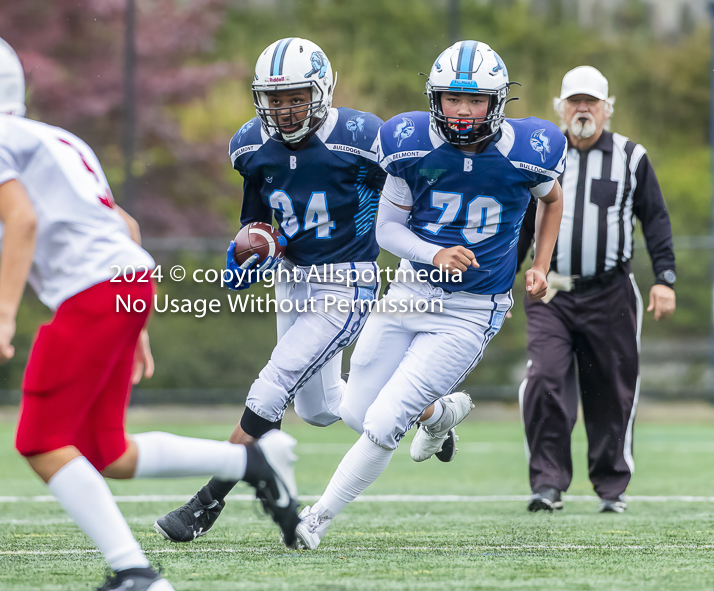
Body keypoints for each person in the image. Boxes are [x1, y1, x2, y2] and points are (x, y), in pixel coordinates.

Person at [0, 29, 299, 591]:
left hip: (97, 291)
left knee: (41, 441)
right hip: (124, 282)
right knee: (108, 452)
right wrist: (132, 318)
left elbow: (22, 220)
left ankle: (134, 573)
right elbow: (125, 226)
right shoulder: (54, 138)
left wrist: (2, 318)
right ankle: (251, 463)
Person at [292, 40, 566, 550]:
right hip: (409, 293)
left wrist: (541, 263)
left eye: (475, 101)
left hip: (469, 310)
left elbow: (552, 200)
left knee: (382, 420)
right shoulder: (410, 141)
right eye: (452, 99)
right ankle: (441, 414)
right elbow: (387, 231)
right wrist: (431, 253)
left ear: (497, 102)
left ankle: (316, 518)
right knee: (354, 410)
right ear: (434, 99)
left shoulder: (528, 151)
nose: (462, 111)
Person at [155, 37, 390, 543]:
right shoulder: (250, 147)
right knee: (321, 408)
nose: (285, 110)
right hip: (293, 281)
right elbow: (258, 223)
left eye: (296, 97)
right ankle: (428, 410)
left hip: (345, 281)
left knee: (273, 384)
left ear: (321, 92)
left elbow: (406, 191)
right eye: (275, 98)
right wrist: (249, 253)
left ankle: (205, 503)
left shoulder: (361, 136)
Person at [516, 66, 676, 514]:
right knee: (544, 379)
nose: (582, 108)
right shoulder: (541, 154)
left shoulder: (631, 156)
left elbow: (656, 219)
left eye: (591, 101)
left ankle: (610, 486)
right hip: (551, 291)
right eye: (574, 101)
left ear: (607, 108)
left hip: (611, 293)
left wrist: (664, 279)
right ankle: (547, 484)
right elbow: (523, 226)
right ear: (560, 108)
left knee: (612, 388)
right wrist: (496, 286)